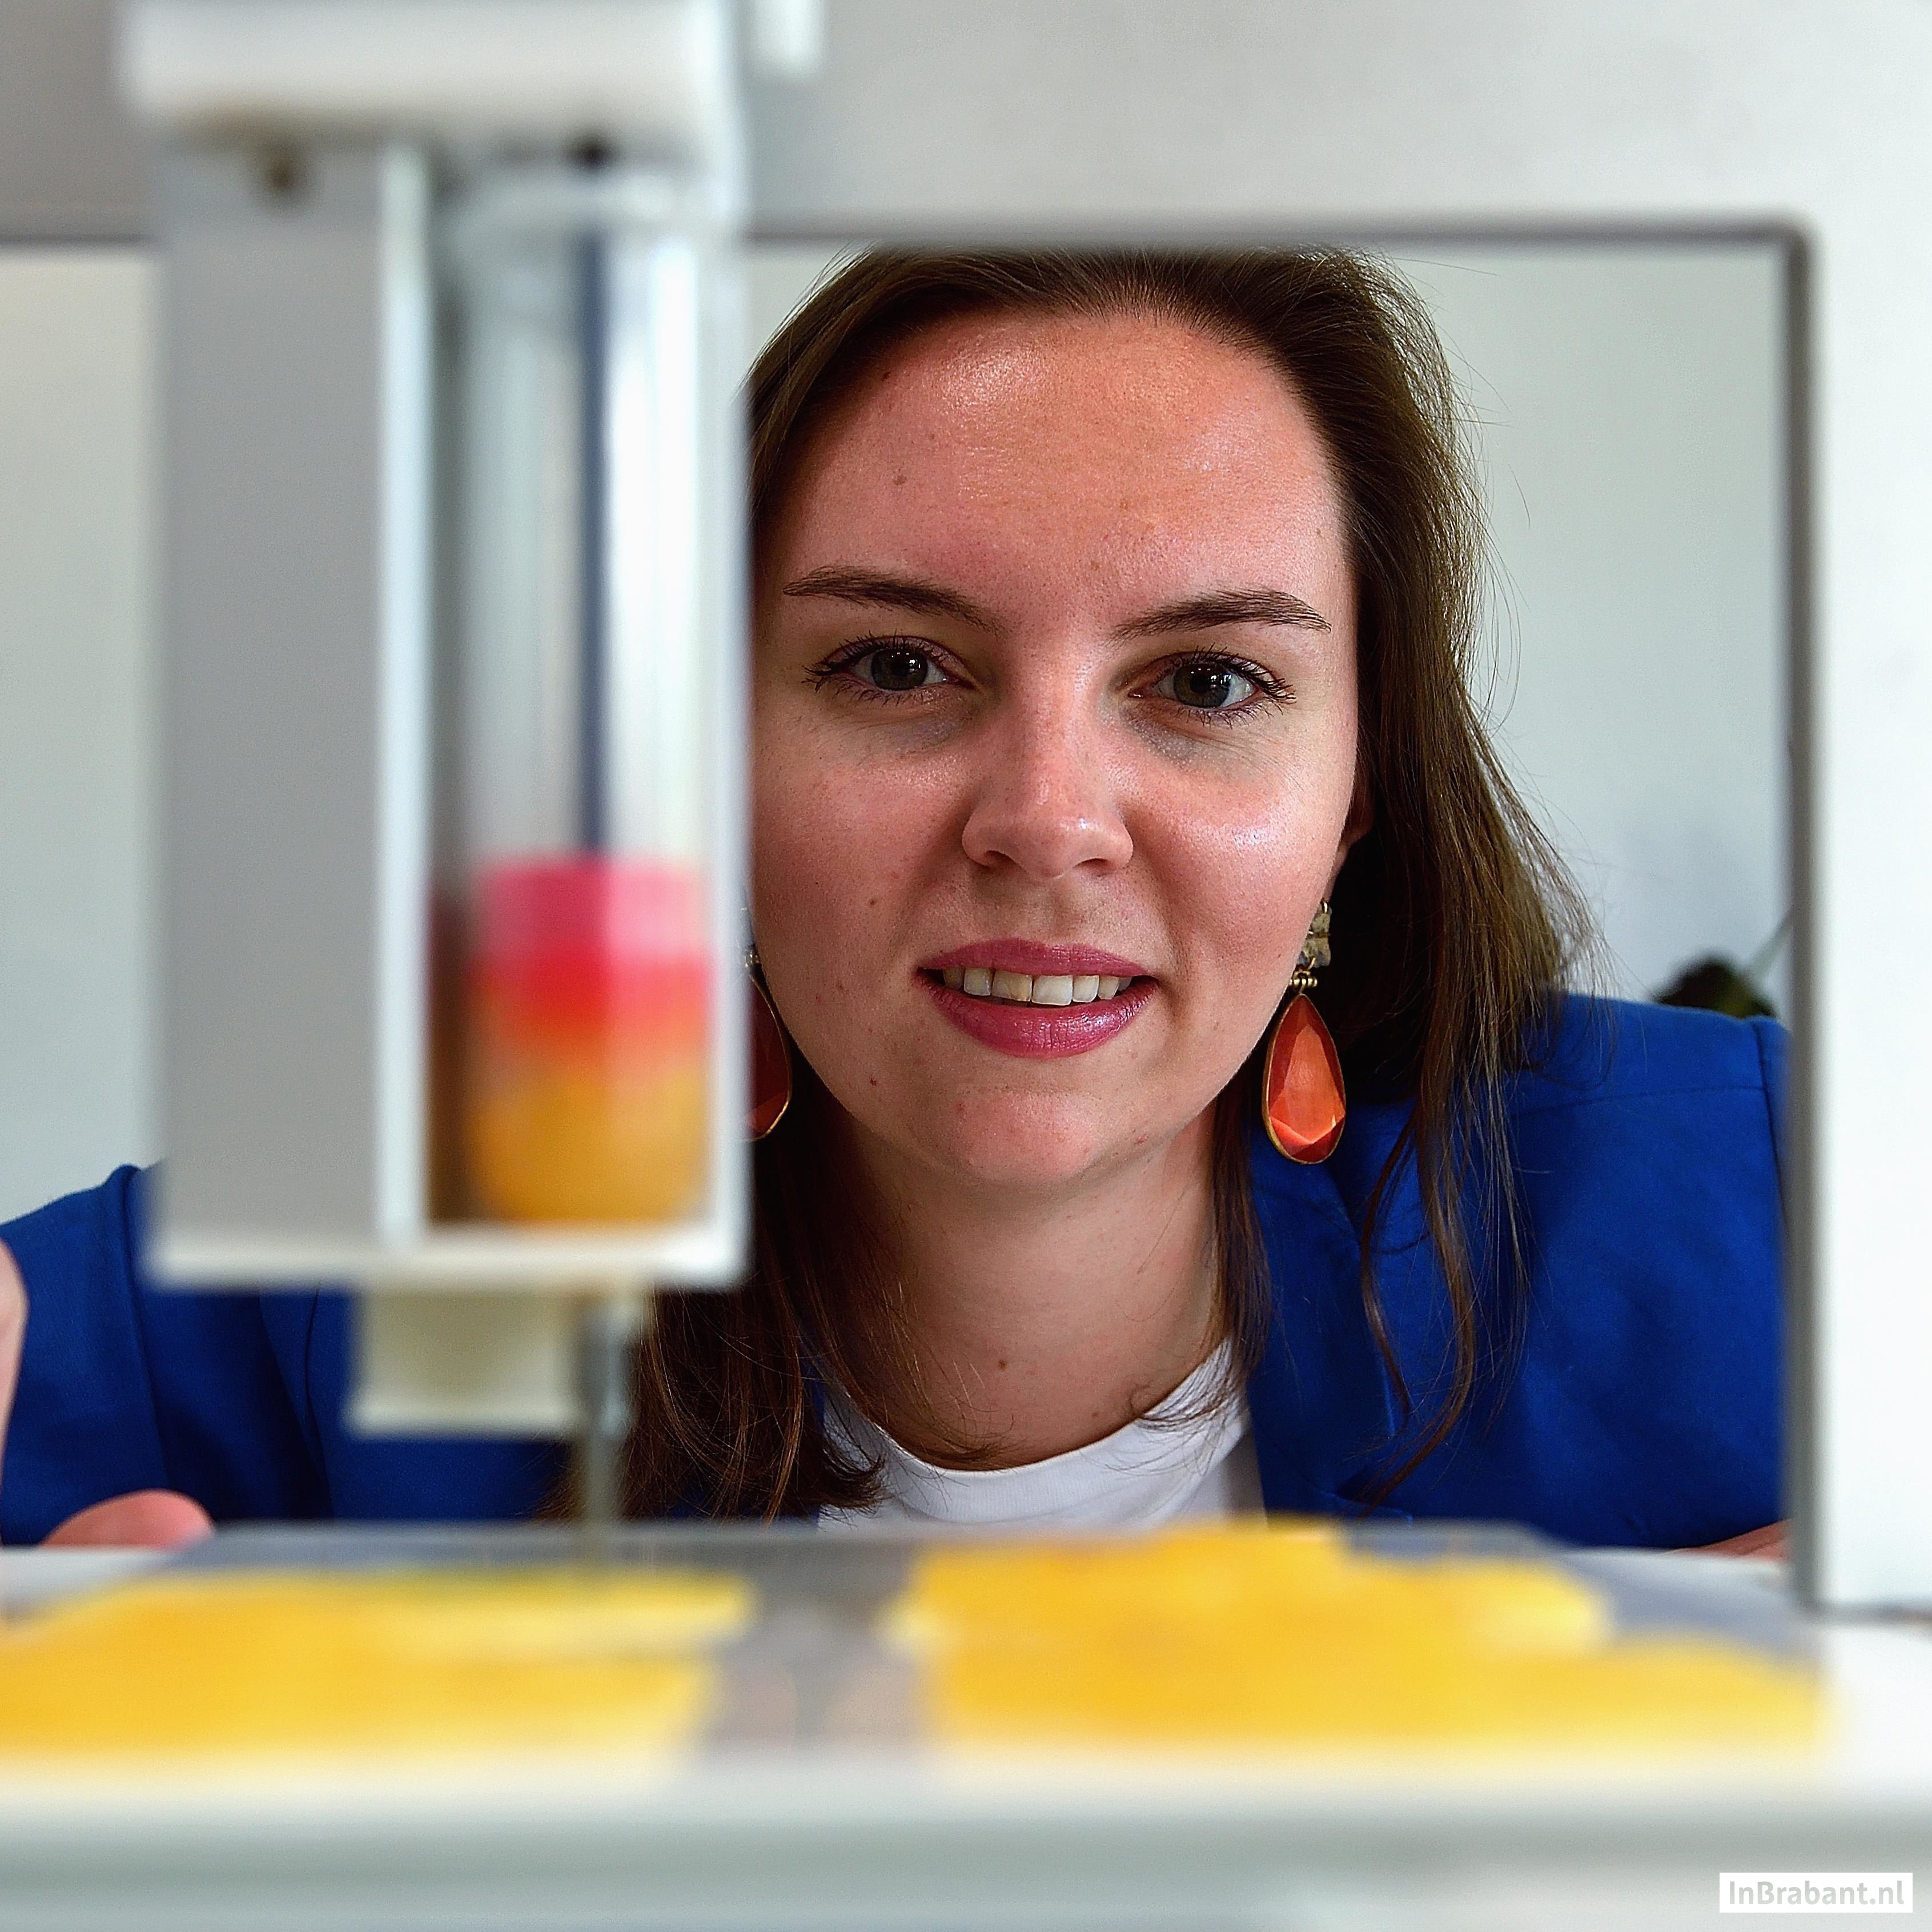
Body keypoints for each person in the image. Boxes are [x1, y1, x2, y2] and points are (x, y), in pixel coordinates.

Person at [0, 249, 1786, 1555]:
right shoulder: (326, 1276)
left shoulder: (1791, 1206)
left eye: (1208, 683)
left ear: (1356, 796)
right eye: (895, 665)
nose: (1047, 821)